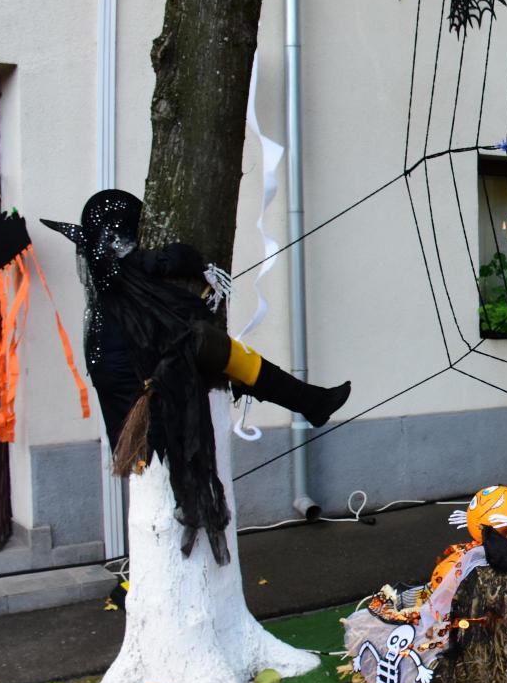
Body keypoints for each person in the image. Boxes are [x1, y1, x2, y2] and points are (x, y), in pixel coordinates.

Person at [43, 189, 350, 561]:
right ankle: (309, 401)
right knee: (208, 344)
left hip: (134, 394)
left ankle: (310, 401)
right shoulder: (128, 269)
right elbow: (173, 260)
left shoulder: (106, 274)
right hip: (143, 400)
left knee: (211, 347)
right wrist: (190, 263)